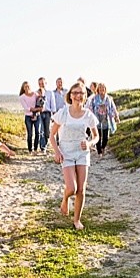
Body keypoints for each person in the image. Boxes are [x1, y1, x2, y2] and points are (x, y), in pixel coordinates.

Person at [48, 84, 100, 230]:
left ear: (85, 96)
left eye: (81, 93)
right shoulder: (63, 113)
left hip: (83, 154)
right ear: (70, 95)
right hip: (67, 153)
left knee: (81, 189)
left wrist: (89, 143)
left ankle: (77, 220)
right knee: (72, 188)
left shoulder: (88, 115)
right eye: (75, 93)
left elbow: (96, 136)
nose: (78, 95)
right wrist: (57, 151)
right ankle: (65, 199)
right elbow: (52, 135)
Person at [86, 82, 119, 157]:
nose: (101, 90)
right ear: (98, 89)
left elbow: (113, 108)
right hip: (96, 118)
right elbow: (91, 108)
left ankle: (103, 147)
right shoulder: (94, 98)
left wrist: (116, 116)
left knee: (105, 137)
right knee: (97, 136)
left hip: (106, 118)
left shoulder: (109, 98)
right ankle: (99, 152)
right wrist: (89, 117)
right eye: (100, 88)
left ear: (105, 89)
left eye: (103, 88)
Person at [18, 81, 42, 153]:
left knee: (37, 132)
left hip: (37, 116)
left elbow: (40, 100)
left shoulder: (35, 94)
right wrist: (35, 109)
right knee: (30, 134)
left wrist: (38, 109)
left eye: (28, 86)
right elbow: (26, 108)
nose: (27, 88)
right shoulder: (22, 97)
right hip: (28, 117)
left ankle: (35, 149)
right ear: (23, 88)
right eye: (25, 87)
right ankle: (30, 150)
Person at [36, 77, 57, 153]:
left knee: (47, 131)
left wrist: (54, 115)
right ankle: (43, 147)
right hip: (40, 113)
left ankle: (46, 143)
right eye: (40, 83)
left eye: (43, 83)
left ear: (46, 83)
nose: (41, 85)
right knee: (41, 130)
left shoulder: (50, 93)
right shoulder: (36, 93)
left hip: (48, 113)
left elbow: (53, 104)